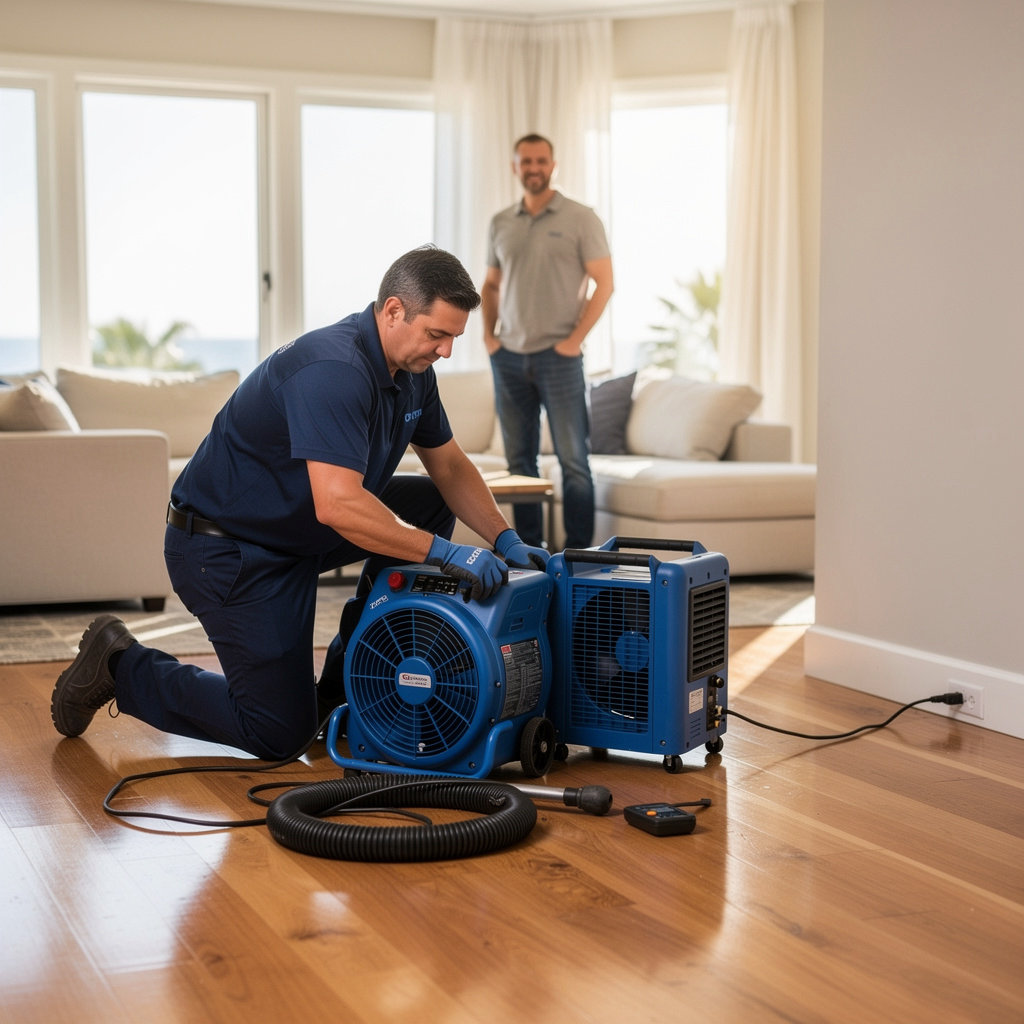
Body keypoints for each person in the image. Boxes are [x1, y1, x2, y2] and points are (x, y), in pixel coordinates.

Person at [50, 246, 549, 761]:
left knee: (425, 502)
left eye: (454, 338)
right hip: (228, 549)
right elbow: (338, 505)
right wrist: (445, 553)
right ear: (393, 310)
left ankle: (347, 689)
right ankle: (119, 665)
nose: (445, 351)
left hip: (298, 530)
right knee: (279, 733)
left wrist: (505, 538)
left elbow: (449, 466)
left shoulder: (414, 374)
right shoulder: (334, 369)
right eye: (436, 334)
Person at [481, 133, 614, 551]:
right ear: (515, 167)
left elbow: (605, 283)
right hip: (509, 356)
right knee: (520, 463)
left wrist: (574, 341)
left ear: (553, 166)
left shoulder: (581, 218)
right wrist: (489, 338)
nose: (534, 168)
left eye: (541, 161)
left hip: (560, 357)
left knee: (574, 461)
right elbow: (490, 285)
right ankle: (529, 555)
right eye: (526, 161)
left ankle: (578, 556)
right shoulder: (500, 222)